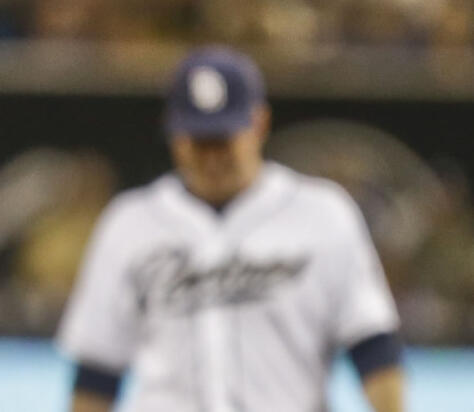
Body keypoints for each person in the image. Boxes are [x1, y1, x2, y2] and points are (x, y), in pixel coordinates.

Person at [55, 46, 405, 412]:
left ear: (259, 123)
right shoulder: (129, 223)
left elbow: (374, 348)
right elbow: (97, 370)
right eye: (198, 140)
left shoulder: (323, 214)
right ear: (173, 133)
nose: (212, 156)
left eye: (222, 139)